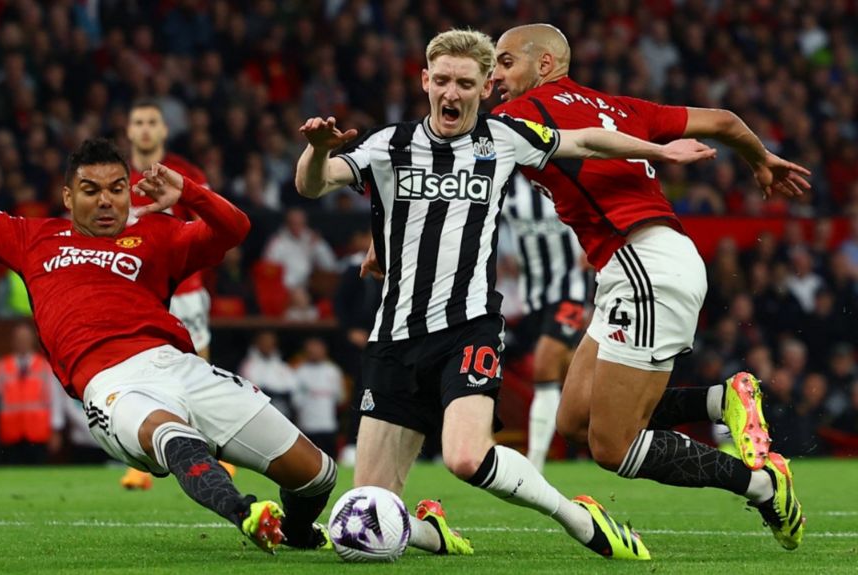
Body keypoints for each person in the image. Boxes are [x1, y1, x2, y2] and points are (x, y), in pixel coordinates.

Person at [0, 69, 336, 553]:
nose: (106, 200)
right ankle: (246, 513)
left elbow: (235, 229)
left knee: (318, 474)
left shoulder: (158, 235)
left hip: (180, 365)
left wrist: (190, 193)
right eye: (90, 190)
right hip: (111, 383)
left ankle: (298, 532)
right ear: (69, 197)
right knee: (169, 435)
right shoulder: (31, 238)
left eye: (116, 188)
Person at [296, 29, 716, 560]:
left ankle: (578, 518)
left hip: (468, 326)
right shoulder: (389, 144)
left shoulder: (504, 138)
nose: (452, 92)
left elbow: (587, 140)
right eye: (443, 80)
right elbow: (313, 184)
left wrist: (659, 149)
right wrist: (314, 151)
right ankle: (433, 533)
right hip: (394, 336)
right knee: (365, 513)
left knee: (466, 459)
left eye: (465, 83)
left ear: (481, 87)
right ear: (426, 81)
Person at [491, 24, 810, 550]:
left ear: (544, 65)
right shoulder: (620, 107)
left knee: (612, 447)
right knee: (576, 420)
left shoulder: (524, 114)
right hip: (640, 266)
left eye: (505, 63)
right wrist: (760, 160)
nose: (495, 76)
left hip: (645, 266)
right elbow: (725, 121)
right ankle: (721, 400)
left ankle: (761, 486)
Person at [120, 99, 222, 490]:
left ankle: (215, 453)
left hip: (184, 287)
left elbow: (209, 225)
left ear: (163, 131)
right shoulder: (118, 177)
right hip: (138, 287)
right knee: (138, 370)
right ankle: (145, 462)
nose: (145, 129)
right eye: (138, 122)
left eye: (152, 123)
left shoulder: (187, 173)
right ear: (129, 131)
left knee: (199, 366)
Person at [498, 172, 590, 471]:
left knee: (544, 365)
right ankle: (592, 440)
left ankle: (534, 462)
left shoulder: (567, 183)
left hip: (570, 292)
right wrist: (505, 254)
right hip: (533, 298)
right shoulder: (509, 189)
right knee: (570, 373)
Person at [0, 322, 58, 465]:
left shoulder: (45, 366)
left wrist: (55, 430)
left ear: (32, 339)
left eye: (25, 338)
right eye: (19, 338)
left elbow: (55, 401)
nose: (22, 342)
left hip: (37, 433)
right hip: (9, 433)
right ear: (13, 340)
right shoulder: (0, 366)